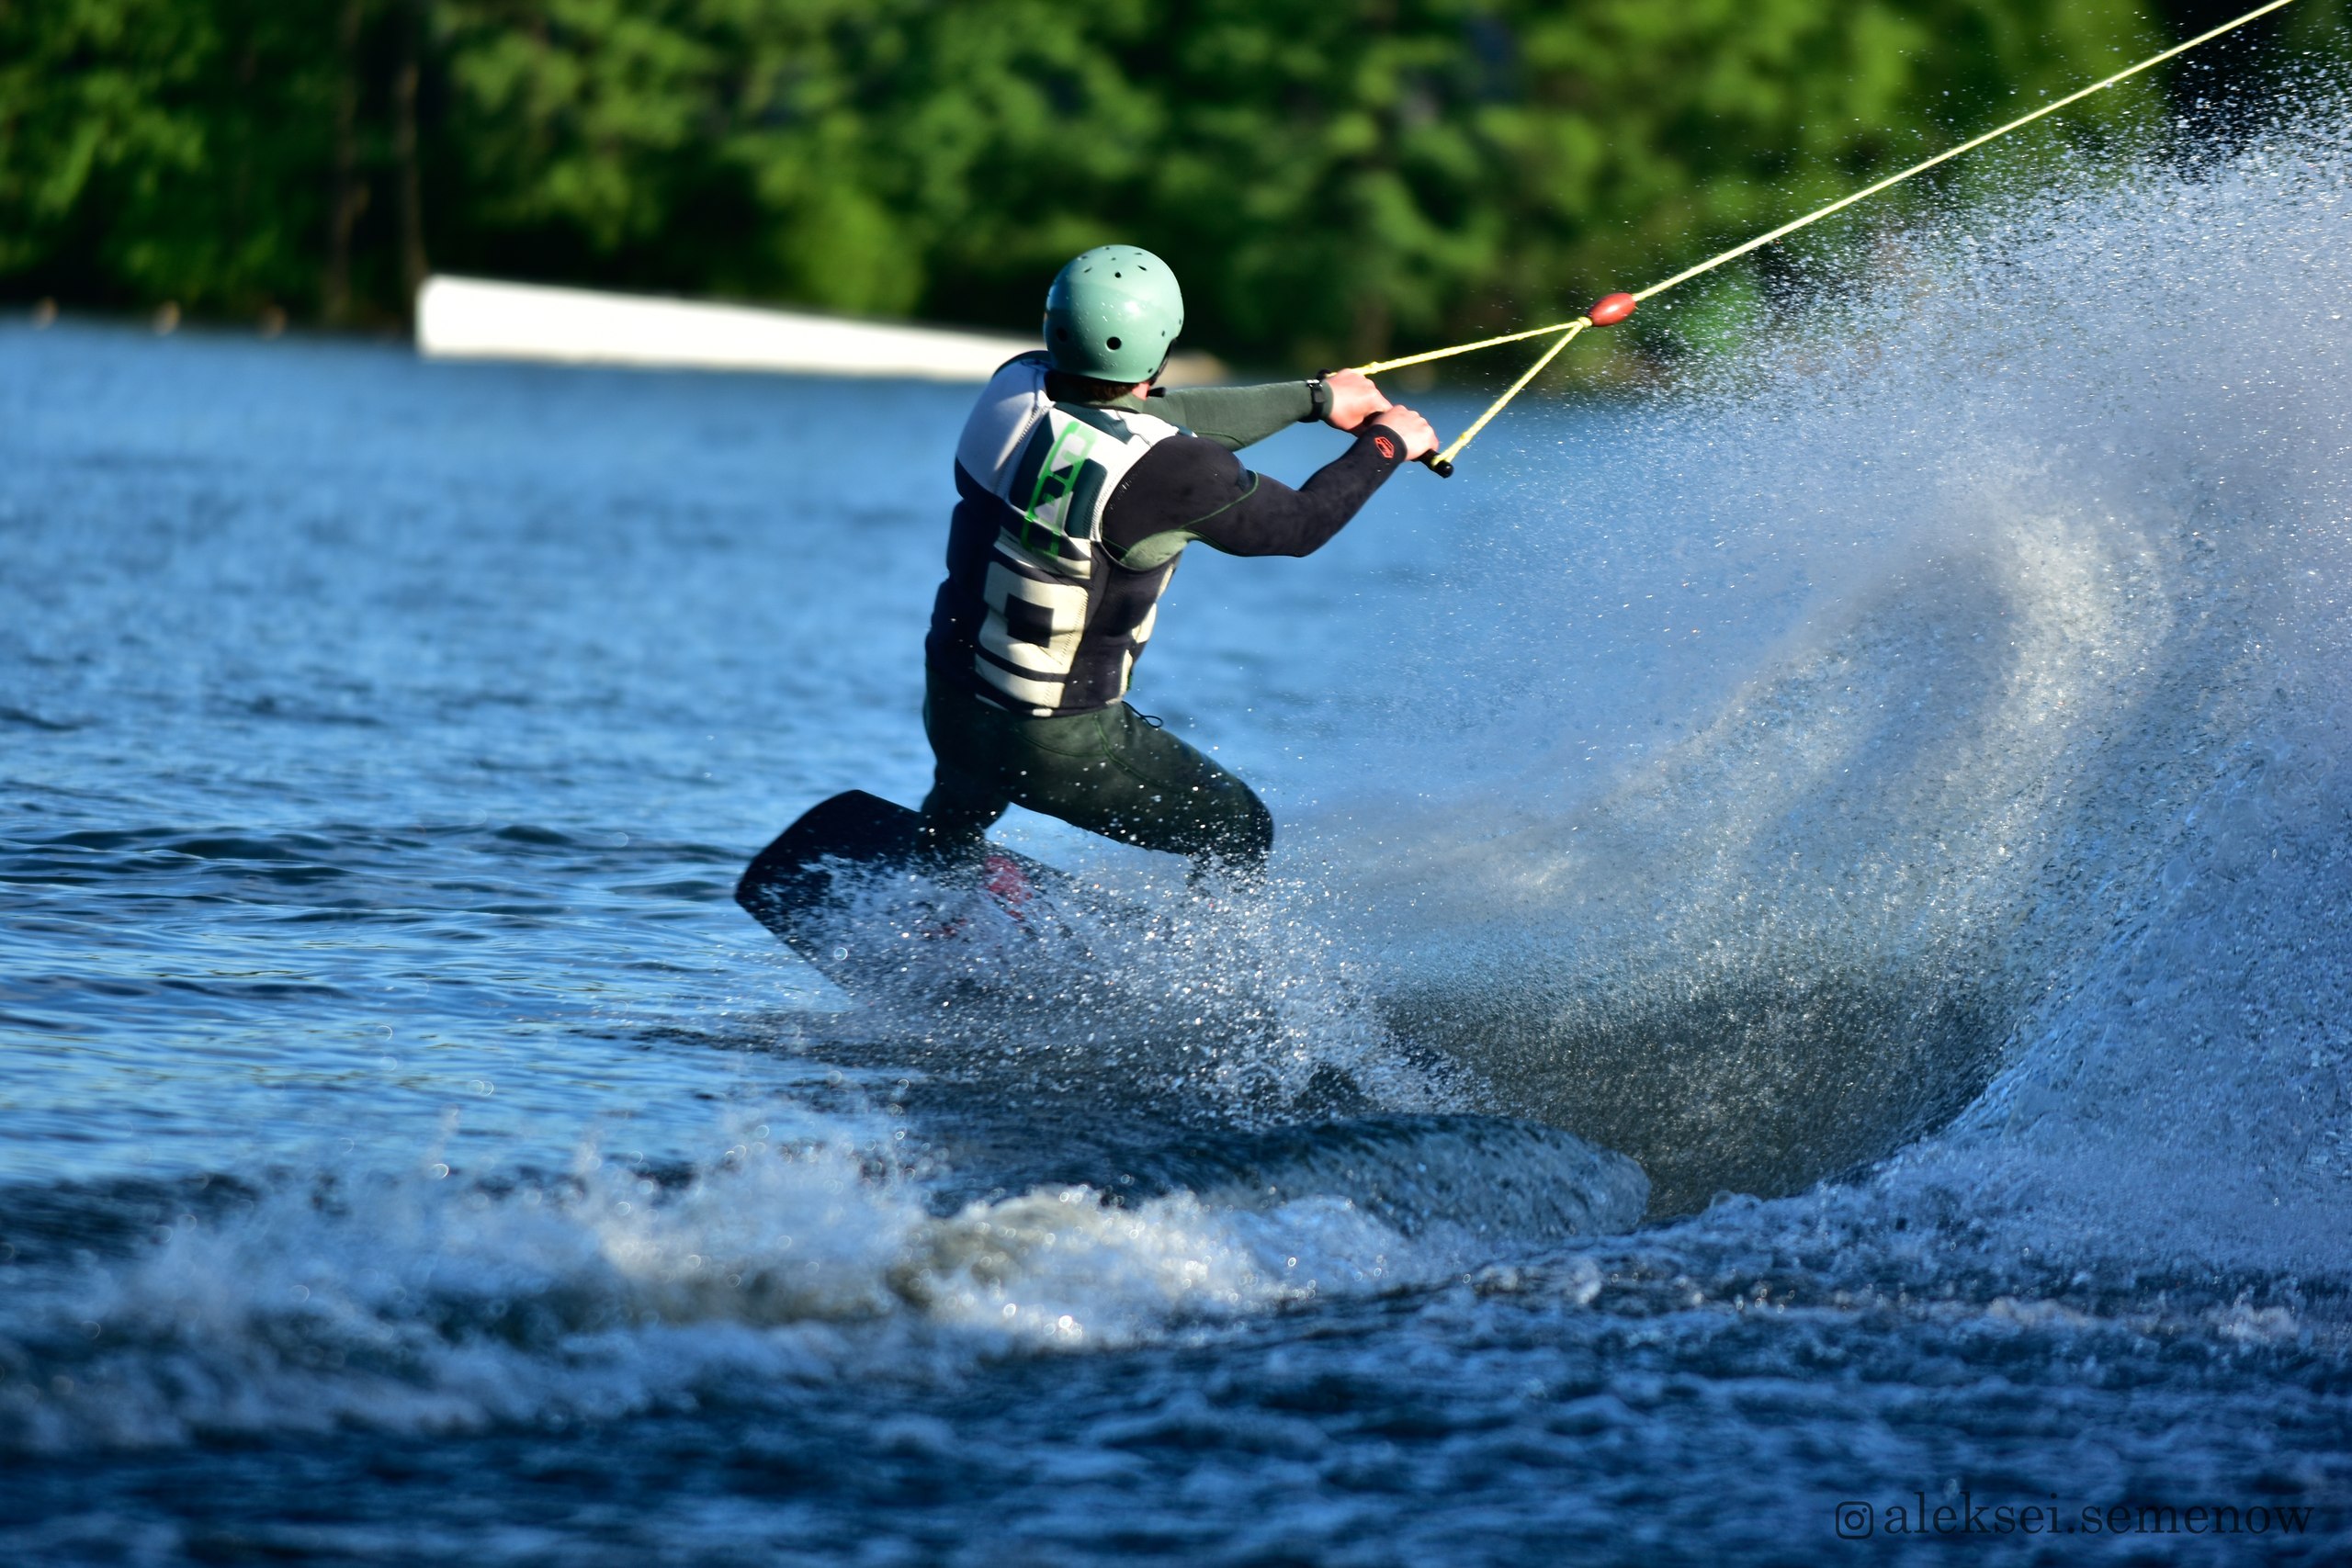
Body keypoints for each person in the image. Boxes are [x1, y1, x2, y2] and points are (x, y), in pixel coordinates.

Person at [919, 243, 1440, 879]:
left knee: (966, 794)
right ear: (1162, 350)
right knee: (1240, 831)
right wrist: (1388, 443)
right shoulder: (1173, 470)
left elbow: (1154, 417)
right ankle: (1195, 976)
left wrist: (1315, 397)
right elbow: (1302, 524)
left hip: (952, 706)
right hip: (1058, 745)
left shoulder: (1013, 385)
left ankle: (937, 874)